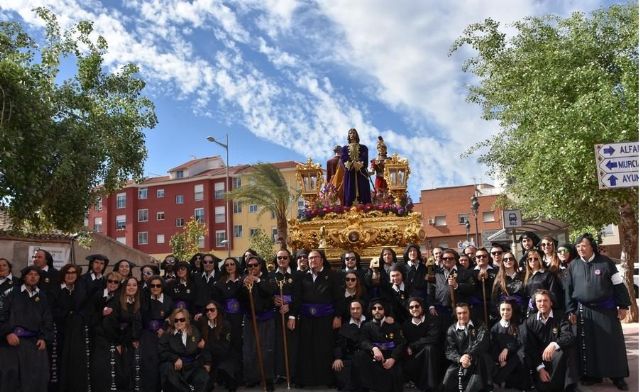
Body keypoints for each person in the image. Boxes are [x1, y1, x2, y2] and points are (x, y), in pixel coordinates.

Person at [565, 233, 630, 390]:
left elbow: (618, 285)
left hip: (606, 310)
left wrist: (623, 306)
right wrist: (570, 310)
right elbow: (568, 289)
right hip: (583, 311)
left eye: (584, 245)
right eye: (578, 246)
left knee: (612, 344)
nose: (580, 248)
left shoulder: (606, 262)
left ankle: (617, 376)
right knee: (588, 344)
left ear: (591, 246)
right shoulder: (573, 265)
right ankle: (593, 375)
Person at [289, 249, 343, 387]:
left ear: (322, 259)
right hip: (306, 319)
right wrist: (292, 316)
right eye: (310, 258)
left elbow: (338, 298)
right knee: (306, 349)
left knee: (324, 349)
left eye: (315, 257)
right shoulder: (301, 277)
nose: (312, 260)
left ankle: (327, 380)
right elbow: (297, 298)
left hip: (326, 319)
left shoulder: (332, 275)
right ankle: (306, 380)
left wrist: (338, 316)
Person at [0, 265, 54, 392]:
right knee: (10, 377)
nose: (33, 277)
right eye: (30, 274)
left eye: (36, 275)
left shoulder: (42, 297)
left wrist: (44, 338)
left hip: (34, 344)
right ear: (24, 277)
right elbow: (2, 315)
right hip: (12, 343)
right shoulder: (11, 293)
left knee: (36, 379)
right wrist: (7, 333)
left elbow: (48, 320)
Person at [523, 289, 576, 392]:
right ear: (535, 303)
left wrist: (554, 344)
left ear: (551, 302)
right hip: (539, 361)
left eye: (545, 300)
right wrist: (540, 369)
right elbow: (531, 348)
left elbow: (569, 336)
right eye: (539, 301)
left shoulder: (560, 316)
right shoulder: (529, 322)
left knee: (567, 350)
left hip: (557, 359)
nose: (542, 304)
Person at [241, 255, 276, 391]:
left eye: (255, 265)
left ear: (260, 266)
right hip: (251, 319)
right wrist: (244, 286)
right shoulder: (244, 279)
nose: (253, 268)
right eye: (250, 266)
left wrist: (257, 280)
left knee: (267, 349)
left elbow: (270, 291)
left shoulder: (268, 278)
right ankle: (252, 377)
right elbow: (240, 298)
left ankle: (267, 379)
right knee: (250, 349)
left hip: (266, 317)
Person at [102, 276, 143, 391]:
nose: (131, 287)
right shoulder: (116, 301)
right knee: (121, 374)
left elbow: (139, 322)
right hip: (119, 342)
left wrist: (136, 338)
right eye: (129, 285)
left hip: (133, 342)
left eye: (134, 285)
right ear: (124, 287)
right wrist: (117, 343)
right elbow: (108, 323)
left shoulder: (139, 302)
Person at [356, 299, 405, 392]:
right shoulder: (366, 325)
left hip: (391, 356)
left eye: (380, 308)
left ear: (385, 310)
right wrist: (374, 348)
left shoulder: (394, 325)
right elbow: (363, 341)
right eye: (374, 308)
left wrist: (393, 359)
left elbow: (401, 343)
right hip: (374, 357)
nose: (377, 310)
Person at [442, 303, 491, 392]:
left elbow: (482, 342)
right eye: (459, 313)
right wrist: (460, 359)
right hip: (460, 361)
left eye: (465, 312)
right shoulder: (451, 330)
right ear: (456, 314)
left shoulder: (480, 325)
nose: (462, 315)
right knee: (448, 378)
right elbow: (449, 350)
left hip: (478, 359)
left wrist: (469, 355)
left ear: (469, 313)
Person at [159, 308, 209, 392]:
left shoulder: (194, 331)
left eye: (182, 319)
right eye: (176, 320)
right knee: (166, 369)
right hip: (175, 367)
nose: (179, 322)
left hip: (191, 365)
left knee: (203, 377)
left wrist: (208, 362)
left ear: (186, 320)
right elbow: (161, 351)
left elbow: (203, 347)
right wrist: (175, 358)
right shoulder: (167, 334)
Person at [269, 249, 298, 385]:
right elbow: (266, 295)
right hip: (276, 314)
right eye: (279, 258)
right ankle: (279, 373)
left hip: (291, 315)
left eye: (285, 257)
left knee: (291, 345)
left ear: (289, 259)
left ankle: (291, 373)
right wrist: (272, 301)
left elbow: (300, 296)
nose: (282, 260)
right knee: (277, 344)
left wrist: (290, 308)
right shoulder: (271, 277)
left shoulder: (297, 276)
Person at [54, 263, 85, 392]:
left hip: (77, 333)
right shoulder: (56, 290)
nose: (70, 275)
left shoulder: (81, 290)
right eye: (68, 273)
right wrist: (68, 313)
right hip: (61, 332)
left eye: (73, 273)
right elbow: (53, 310)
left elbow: (84, 309)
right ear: (63, 275)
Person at [140, 275, 174, 392]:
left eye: (158, 285)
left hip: (165, 335)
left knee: (164, 362)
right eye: (152, 285)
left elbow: (172, 316)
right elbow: (142, 316)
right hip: (148, 335)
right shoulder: (144, 299)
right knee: (150, 364)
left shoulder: (168, 300)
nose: (155, 288)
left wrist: (163, 328)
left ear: (162, 287)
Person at [90, 271, 122, 392]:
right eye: (110, 281)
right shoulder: (98, 295)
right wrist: (101, 314)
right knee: (100, 369)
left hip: (114, 338)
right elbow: (90, 317)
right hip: (99, 339)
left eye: (116, 282)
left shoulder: (120, 297)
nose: (112, 284)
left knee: (114, 371)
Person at [401, 297, 441, 392]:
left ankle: (431, 386)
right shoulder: (406, 324)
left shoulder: (432, 319)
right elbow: (405, 342)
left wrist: (413, 345)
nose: (414, 309)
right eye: (411, 307)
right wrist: (409, 347)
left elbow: (433, 338)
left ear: (422, 307)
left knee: (429, 348)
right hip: (415, 355)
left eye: (417, 306)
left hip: (432, 355)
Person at [199, 300, 239, 392]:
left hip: (224, 357)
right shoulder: (202, 323)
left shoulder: (225, 325)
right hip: (208, 358)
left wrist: (206, 345)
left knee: (226, 371)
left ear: (218, 310)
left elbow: (224, 348)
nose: (209, 312)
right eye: (207, 310)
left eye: (212, 310)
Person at [212, 257, 243, 368]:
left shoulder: (243, 281)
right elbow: (217, 302)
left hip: (241, 317)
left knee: (239, 345)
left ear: (236, 265)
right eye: (227, 265)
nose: (230, 267)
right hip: (226, 318)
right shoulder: (219, 284)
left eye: (232, 264)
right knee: (227, 346)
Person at [490, 300, 528, 390]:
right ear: (499, 310)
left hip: (517, 357)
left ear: (512, 311)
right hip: (503, 361)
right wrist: (500, 360)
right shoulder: (494, 329)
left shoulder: (518, 324)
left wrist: (507, 348)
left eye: (508, 309)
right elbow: (493, 347)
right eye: (503, 309)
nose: (505, 312)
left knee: (521, 354)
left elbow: (521, 341)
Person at [332, 299, 366, 392]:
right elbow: (339, 344)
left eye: (358, 308)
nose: (355, 311)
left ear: (362, 309)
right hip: (351, 357)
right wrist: (337, 358)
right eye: (352, 309)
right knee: (340, 369)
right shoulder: (345, 326)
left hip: (367, 358)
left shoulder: (370, 323)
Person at [523, 249, 562, 317]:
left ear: (540, 260)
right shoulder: (526, 276)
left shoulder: (547, 274)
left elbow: (553, 293)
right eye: (530, 259)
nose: (533, 261)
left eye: (535, 259)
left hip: (545, 308)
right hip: (531, 310)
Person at [0, 258, 19, 392]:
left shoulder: (18, 283)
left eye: (4, 265)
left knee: (9, 369)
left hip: (11, 331)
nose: (1, 267)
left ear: (9, 267)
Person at [491, 251, 527, 323]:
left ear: (514, 261)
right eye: (505, 259)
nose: (508, 261)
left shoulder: (522, 276)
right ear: (502, 262)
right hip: (505, 312)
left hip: (520, 312)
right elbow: (494, 298)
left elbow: (526, 294)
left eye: (511, 259)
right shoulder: (499, 279)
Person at [341, 128, 372, 206]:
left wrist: (358, 164)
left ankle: (365, 207)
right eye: (350, 133)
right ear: (348, 135)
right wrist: (351, 164)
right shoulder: (344, 148)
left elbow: (364, 157)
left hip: (361, 172)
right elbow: (343, 158)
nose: (352, 134)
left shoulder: (364, 148)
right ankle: (349, 207)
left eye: (353, 133)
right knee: (349, 189)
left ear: (357, 134)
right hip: (350, 172)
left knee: (363, 188)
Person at [471, 248, 496, 326]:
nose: (481, 258)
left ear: (488, 258)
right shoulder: (470, 272)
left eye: (484, 256)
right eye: (478, 256)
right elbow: (470, 288)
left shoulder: (496, 270)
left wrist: (488, 279)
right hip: (477, 306)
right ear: (475, 259)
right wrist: (478, 279)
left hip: (493, 305)